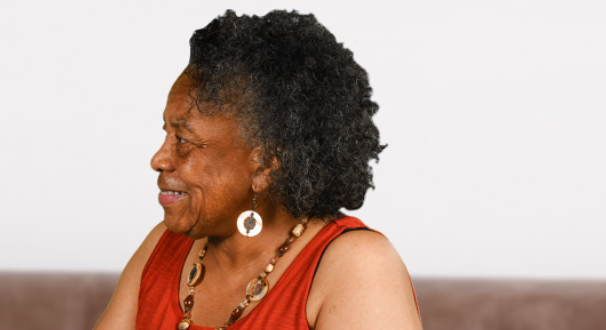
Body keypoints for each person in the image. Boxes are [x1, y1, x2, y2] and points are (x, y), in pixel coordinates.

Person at [94, 10, 421, 330]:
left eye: (184, 139)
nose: (159, 159)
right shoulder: (164, 247)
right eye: (166, 133)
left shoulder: (358, 266)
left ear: (266, 163)